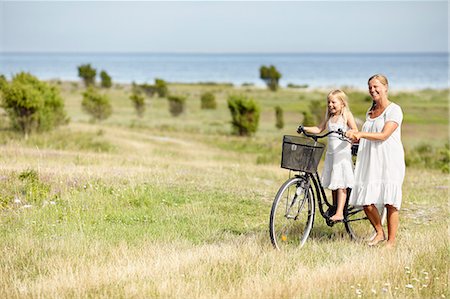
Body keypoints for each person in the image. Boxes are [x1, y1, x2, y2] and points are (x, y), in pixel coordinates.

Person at [346, 74, 405, 248]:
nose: (373, 90)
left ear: (386, 88)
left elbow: (384, 135)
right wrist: (357, 139)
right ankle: (379, 232)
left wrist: (362, 134)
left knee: (390, 201)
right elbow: (370, 135)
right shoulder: (370, 111)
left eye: (376, 86)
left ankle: (391, 241)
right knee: (366, 199)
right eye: (370, 87)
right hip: (370, 160)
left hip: (389, 160)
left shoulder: (394, 110)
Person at [302, 89, 358, 223]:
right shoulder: (329, 116)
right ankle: (334, 207)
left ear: (342, 103)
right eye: (328, 102)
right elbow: (319, 129)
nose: (330, 105)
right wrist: (305, 128)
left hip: (342, 154)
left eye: (334, 102)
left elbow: (355, 130)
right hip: (331, 154)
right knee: (334, 182)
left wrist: (348, 134)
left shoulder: (346, 115)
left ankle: (339, 213)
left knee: (341, 184)